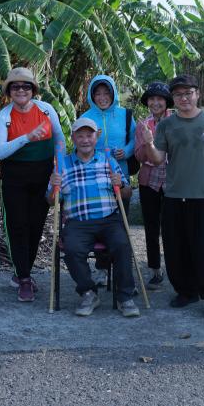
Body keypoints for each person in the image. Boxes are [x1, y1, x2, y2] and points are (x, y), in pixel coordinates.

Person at [138, 75, 204, 318]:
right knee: (177, 247)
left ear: (197, 94)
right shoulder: (166, 126)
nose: (184, 98)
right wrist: (149, 144)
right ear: (174, 99)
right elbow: (158, 158)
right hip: (174, 195)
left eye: (188, 93)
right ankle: (186, 290)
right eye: (179, 95)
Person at [48, 117, 140, 318]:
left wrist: (122, 185)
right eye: (80, 136)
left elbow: (126, 194)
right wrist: (54, 186)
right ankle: (89, 293)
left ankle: (125, 297)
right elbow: (51, 200)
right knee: (72, 249)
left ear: (96, 137)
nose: (85, 140)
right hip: (77, 223)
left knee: (122, 245)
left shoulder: (108, 161)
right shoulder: (63, 164)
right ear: (73, 138)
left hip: (109, 220)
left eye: (89, 135)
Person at [0, 67, 64, 302]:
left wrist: (59, 170)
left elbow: (60, 141)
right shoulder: (3, 117)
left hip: (43, 174)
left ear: (33, 90)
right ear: (9, 92)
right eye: (15, 87)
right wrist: (26, 138)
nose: (21, 90)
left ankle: (24, 273)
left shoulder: (46, 110)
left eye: (25, 86)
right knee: (17, 226)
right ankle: (23, 277)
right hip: (15, 177)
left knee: (35, 226)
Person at [81, 75, 136, 286]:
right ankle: (102, 269)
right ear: (92, 95)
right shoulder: (86, 117)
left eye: (106, 93)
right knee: (100, 222)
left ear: (113, 94)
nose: (102, 97)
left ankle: (124, 273)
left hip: (119, 176)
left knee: (120, 225)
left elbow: (135, 139)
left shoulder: (125, 115)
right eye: (98, 93)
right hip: (94, 178)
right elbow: (79, 144)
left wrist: (127, 151)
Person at [133, 81, 173, 289]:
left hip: (173, 180)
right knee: (151, 226)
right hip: (148, 180)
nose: (156, 103)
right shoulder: (142, 124)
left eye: (160, 99)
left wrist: (155, 145)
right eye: (152, 99)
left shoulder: (175, 121)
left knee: (172, 226)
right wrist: (149, 142)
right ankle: (155, 269)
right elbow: (139, 155)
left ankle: (175, 268)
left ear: (166, 102)